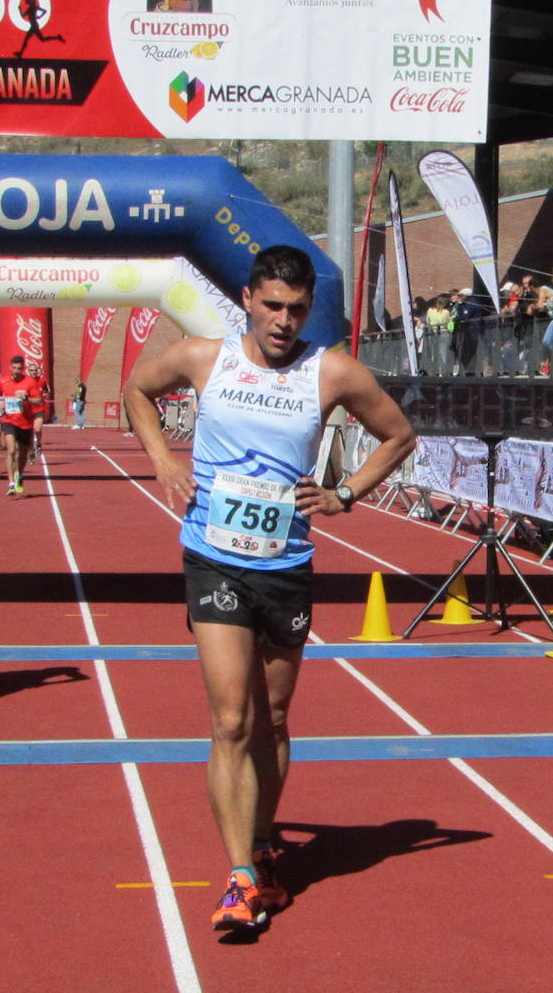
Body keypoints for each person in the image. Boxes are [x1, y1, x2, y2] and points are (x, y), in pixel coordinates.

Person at [124, 244, 415, 933]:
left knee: (274, 717)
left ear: (308, 309)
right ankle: (241, 876)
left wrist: (345, 491)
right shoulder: (203, 357)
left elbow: (398, 434)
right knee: (232, 718)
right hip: (213, 555)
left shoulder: (331, 370)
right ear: (248, 299)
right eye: (272, 305)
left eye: (296, 309)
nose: (283, 320)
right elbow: (137, 387)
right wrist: (164, 457)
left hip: (285, 562)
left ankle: (260, 837)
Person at [0, 355, 43, 496]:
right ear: (10, 367)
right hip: (8, 420)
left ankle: (19, 475)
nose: (17, 371)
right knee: (10, 450)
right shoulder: (3, 380)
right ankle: (10, 483)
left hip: (25, 422)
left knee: (22, 453)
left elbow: (38, 401)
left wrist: (27, 398)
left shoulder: (29, 382)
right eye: (14, 368)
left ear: (23, 369)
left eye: (19, 368)